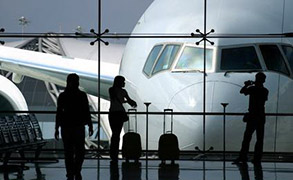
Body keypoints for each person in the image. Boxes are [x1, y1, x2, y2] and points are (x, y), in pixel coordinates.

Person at [55, 73, 93, 180]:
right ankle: (77, 170)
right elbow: (86, 111)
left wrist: (56, 128)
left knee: (68, 152)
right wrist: (90, 125)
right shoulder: (82, 95)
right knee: (80, 151)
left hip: (66, 127)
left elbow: (59, 113)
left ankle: (70, 172)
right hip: (78, 126)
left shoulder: (63, 96)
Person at [234, 72, 269, 164]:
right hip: (261, 116)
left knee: (247, 138)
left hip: (252, 116)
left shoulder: (252, 89)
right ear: (264, 80)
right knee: (259, 139)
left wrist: (247, 85)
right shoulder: (265, 90)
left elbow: (242, 91)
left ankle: (243, 156)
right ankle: (257, 158)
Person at [108, 75, 137, 163]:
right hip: (120, 113)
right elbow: (128, 100)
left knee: (114, 134)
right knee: (117, 133)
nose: (124, 83)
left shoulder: (111, 90)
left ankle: (113, 154)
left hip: (112, 113)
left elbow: (115, 99)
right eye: (123, 81)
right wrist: (128, 101)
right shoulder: (123, 91)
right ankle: (115, 153)